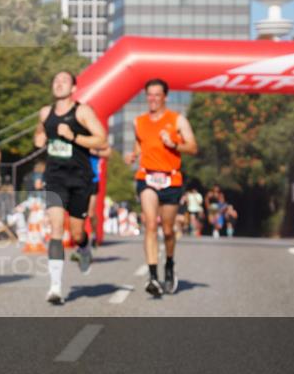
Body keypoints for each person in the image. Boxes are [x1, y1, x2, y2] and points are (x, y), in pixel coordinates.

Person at [34, 71, 109, 304]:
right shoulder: (45, 112)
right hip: (55, 178)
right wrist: (40, 137)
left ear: (74, 88)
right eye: (56, 80)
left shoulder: (82, 111)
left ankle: (84, 248)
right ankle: (55, 287)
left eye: (64, 81)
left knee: (77, 233)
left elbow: (102, 139)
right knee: (56, 227)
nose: (59, 84)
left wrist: (73, 136)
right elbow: (39, 135)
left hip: (79, 178)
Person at [124, 79, 198, 296]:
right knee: (149, 224)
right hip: (146, 177)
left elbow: (193, 147)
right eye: (149, 94)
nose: (153, 99)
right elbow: (140, 143)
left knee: (167, 231)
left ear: (165, 96)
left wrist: (174, 144)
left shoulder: (177, 120)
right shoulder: (139, 121)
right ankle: (153, 277)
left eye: (157, 95)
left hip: (170, 179)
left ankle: (170, 264)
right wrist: (133, 155)